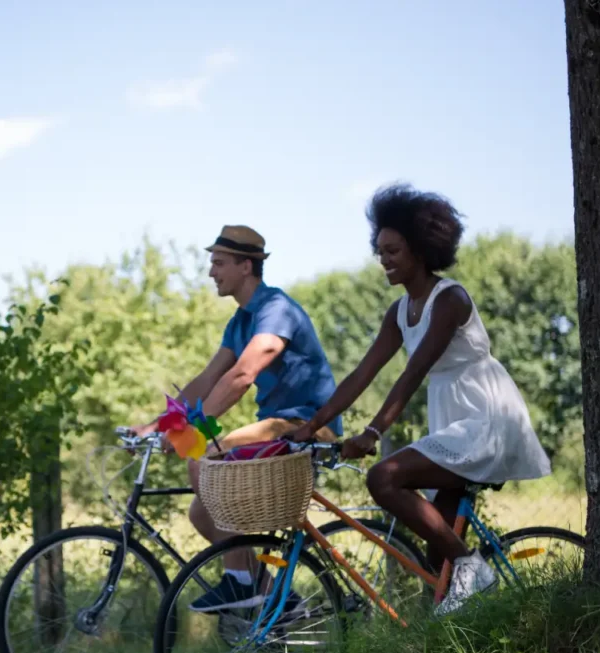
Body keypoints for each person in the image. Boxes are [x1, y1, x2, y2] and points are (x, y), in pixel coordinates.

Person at [291, 184, 551, 615]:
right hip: (451, 418)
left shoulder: (449, 298)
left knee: (384, 478)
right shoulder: (398, 311)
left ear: (419, 249)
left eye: (392, 251)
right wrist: (312, 424)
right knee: (437, 554)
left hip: (484, 415)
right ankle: (482, 624)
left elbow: (414, 372)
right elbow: (363, 373)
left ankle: (474, 565)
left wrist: (374, 431)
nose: (384, 261)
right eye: (379, 252)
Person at [133, 224, 343, 611]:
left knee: (210, 460)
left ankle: (241, 582)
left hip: (308, 424)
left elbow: (243, 375)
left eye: (219, 263)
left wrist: (192, 426)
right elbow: (207, 379)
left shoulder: (276, 309)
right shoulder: (241, 320)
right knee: (202, 513)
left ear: (247, 266)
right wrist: (158, 424)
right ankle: (276, 599)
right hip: (280, 425)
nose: (211, 272)